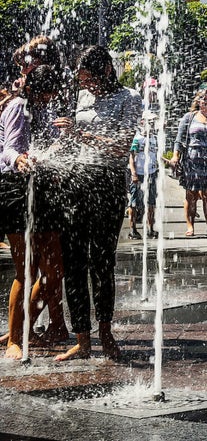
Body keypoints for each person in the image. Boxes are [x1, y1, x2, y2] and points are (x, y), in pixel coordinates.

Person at [56, 46, 139, 362]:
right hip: (76, 181)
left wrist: (81, 135)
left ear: (106, 70)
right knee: (73, 262)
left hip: (107, 182)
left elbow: (121, 148)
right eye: (82, 80)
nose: (85, 85)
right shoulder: (82, 98)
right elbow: (72, 139)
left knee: (102, 261)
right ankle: (82, 339)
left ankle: (106, 335)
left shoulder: (128, 98)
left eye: (90, 78)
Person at [0, 63, 67, 360]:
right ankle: (15, 338)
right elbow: (8, 149)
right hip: (15, 189)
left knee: (54, 269)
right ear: (37, 89)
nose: (50, 98)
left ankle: (32, 328)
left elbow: (45, 147)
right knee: (25, 269)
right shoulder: (18, 107)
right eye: (48, 93)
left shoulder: (42, 110)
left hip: (41, 188)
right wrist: (19, 161)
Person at [172, 85, 207, 237]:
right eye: (204, 100)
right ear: (198, 101)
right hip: (192, 160)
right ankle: (190, 227)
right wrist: (175, 156)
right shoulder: (189, 118)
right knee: (191, 194)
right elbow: (179, 140)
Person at [128, 104, 160, 240]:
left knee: (151, 202)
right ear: (143, 122)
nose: (152, 124)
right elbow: (131, 157)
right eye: (150, 121)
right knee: (134, 202)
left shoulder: (154, 138)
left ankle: (150, 228)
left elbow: (156, 154)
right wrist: (134, 173)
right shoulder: (137, 138)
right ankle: (132, 229)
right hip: (139, 173)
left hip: (151, 173)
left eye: (153, 121)